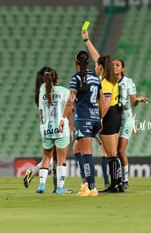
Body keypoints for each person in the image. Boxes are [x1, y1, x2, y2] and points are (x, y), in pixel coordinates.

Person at [82, 29, 122, 193]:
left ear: (101, 67)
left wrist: (100, 120)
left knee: (111, 152)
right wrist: (87, 40)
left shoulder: (105, 82)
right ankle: (117, 183)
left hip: (109, 114)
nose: (95, 66)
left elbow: (104, 104)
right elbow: (96, 56)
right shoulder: (109, 78)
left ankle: (115, 184)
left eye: (97, 65)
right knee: (113, 152)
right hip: (116, 113)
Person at [59, 50, 104, 197]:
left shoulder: (76, 78)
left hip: (83, 118)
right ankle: (85, 183)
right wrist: (101, 119)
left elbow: (71, 100)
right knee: (77, 149)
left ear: (76, 63)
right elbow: (102, 100)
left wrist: (62, 118)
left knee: (86, 152)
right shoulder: (96, 79)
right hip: (95, 117)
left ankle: (91, 187)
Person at [35, 67, 72, 194]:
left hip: (46, 128)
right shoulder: (65, 91)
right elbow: (70, 108)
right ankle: (60, 188)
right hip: (61, 128)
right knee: (61, 160)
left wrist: (43, 125)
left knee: (46, 157)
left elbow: (40, 112)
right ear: (57, 79)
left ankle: (41, 186)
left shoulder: (42, 93)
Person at [113, 59, 148, 190]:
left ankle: (125, 180)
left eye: (117, 65)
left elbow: (133, 102)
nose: (114, 67)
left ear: (123, 69)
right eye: (112, 65)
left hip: (126, 118)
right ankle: (114, 179)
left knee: (120, 150)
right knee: (112, 152)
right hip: (112, 118)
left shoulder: (128, 82)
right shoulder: (107, 82)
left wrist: (137, 100)